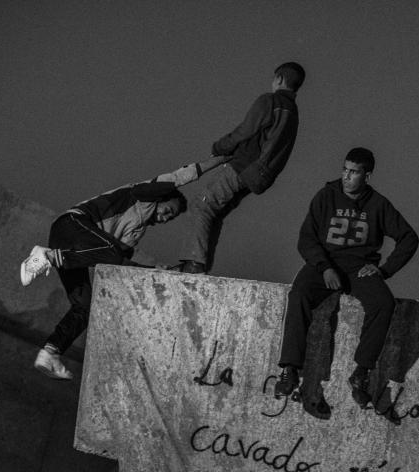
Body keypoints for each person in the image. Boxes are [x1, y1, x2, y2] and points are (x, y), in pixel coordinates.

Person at [18, 160, 220, 380]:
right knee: (112, 251)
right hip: (72, 224)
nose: (163, 219)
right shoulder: (143, 196)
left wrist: (156, 271)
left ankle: (50, 354)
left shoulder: (135, 233)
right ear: (161, 199)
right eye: (167, 211)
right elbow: (179, 176)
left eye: (168, 219)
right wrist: (222, 157)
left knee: (85, 306)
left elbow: (117, 262)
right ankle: (47, 256)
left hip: (74, 249)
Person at [274, 147, 419, 407]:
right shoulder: (325, 196)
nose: (346, 176)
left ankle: (361, 373)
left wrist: (384, 270)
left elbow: (409, 239)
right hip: (325, 263)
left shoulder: (378, 204)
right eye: (345, 169)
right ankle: (290, 370)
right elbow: (306, 238)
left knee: (384, 303)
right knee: (299, 294)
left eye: (354, 172)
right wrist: (324, 267)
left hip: (359, 268)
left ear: (367, 176)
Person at [174, 61, 305, 274]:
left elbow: (245, 131)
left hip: (243, 167)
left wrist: (219, 146)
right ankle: (201, 265)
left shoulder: (270, 101)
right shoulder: (293, 113)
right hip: (260, 177)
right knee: (215, 214)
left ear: (279, 79)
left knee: (202, 204)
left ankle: (194, 264)